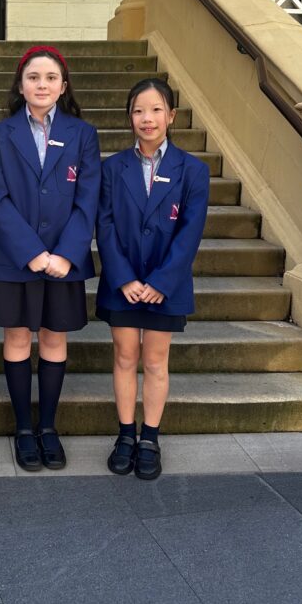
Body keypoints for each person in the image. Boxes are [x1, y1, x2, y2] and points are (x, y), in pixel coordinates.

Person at [0, 46, 100, 471]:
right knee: (16, 338)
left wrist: (67, 254)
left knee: (53, 338)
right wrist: (31, 252)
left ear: (63, 86)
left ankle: (47, 427)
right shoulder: (1, 134)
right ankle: (22, 429)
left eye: (51, 77)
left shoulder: (83, 134)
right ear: (20, 85)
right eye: (33, 77)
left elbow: (88, 199)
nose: (42, 84)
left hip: (64, 261)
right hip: (16, 259)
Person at [96, 77, 209, 481]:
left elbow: (190, 233)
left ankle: (150, 438)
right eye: (139, 111)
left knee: (156, 361)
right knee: (125, 357)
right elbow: (104, 226)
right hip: (122, 284)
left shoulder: (193, 171)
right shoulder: (112, 169)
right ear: (130, 118)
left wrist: (162, 281)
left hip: (167, 285)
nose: (148, 118)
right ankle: (126, 434)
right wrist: (123, 278)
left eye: (156, 110)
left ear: (171, 115)